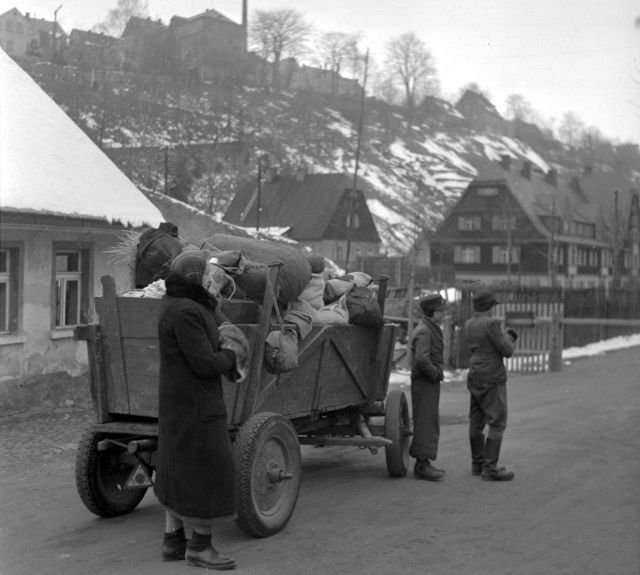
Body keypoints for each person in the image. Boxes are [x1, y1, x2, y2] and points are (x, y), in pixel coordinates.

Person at [155, 250, 239, 570]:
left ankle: (173, 540)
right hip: (197, 404)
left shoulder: (173, 304)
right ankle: (201, 547)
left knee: (178, 470)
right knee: (211, 472)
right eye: (205, 274)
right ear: (194, 278)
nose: (209, 278)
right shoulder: (187, 311)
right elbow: (205, 365)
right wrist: (231, 353)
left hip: (178, 403)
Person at [463, 290, 517, 482]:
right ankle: (490, 467)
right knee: (497, 421)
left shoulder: (469, 324)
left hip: (475, 374)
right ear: (489, 306)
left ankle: (477, 463)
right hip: (492, 376)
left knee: (476, 420)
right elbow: (506, 351)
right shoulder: (492, 324)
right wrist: (509, 338)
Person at [409, 293, 447, 481]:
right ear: (432, 312)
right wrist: (435, 373)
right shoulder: (425, 330)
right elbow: (422, 359)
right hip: (424, 382)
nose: (443, 315)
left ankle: (424, 461)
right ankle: (422, 464)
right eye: (440, 311)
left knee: (429, 420)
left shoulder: (430, 328)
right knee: (425, 421)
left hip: (428, 382)